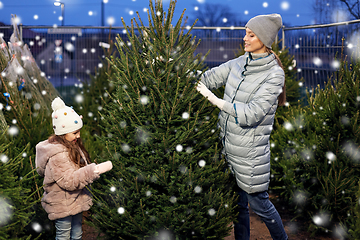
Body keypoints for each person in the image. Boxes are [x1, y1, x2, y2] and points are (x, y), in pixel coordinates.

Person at [196, 14, 288, 240]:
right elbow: (206, 79)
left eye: (251, 34)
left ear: (264, 40)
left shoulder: (274, 75)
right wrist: (173, 69)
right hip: (228, 149)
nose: (244, 38)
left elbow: (252, 114)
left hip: (250, 157)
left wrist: (216, 101)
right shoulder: (238, 63)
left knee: (261, 207)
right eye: (245, 32)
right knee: (238, 207)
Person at [36, 97, 113, 240]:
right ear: (63, 132)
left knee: (77, 233)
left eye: (79, 131)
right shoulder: (57, 155)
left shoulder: (71, 145)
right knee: (64, 236)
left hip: (76, 199)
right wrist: (93, 171)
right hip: (62, 204)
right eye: (75, 133)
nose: (78, 135)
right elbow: (69, 181)